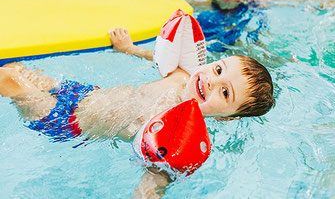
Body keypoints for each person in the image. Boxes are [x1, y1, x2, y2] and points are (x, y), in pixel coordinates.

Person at [0, 27, 275, 197]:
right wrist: (129, 49)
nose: (212, 82)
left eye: (225, 93)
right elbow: (157, 57)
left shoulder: (177, 138)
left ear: (227, 117)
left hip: (68, 123)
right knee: (17, 66)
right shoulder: (183, 75)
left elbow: (156, 179)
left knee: (8, 79)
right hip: (84, 92)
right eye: (218, 69)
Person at [152, 0, 335, 53]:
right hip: (209, 46)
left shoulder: (258, 1)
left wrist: (326, 2)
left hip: (252, 45)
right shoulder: (202, 3)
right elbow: (170, 7)